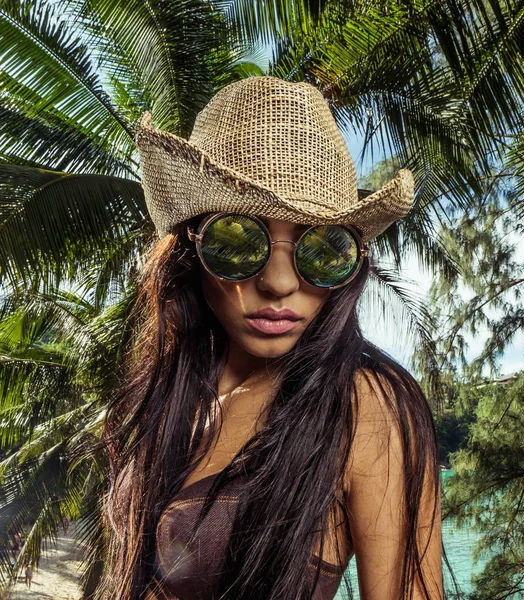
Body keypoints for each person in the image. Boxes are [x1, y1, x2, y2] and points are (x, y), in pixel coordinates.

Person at [100, 76, 443, 600]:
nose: (281, 283)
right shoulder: (172, 402)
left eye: (322, 250)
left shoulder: (363, 407)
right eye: (236, 241)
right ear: (190, 250)